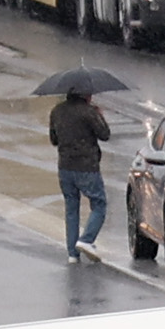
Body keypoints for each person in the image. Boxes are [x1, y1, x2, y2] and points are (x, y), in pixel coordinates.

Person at [50, 90, 113, 262]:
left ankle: (72, 254)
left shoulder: (57, 111)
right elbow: (105, 134)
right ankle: (86, 240)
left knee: (71, 209)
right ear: (85, 95)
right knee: (99, 204)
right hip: (87, 167)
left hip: (65, 167)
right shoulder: (89, 112)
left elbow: (54, 139)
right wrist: (99, 116)